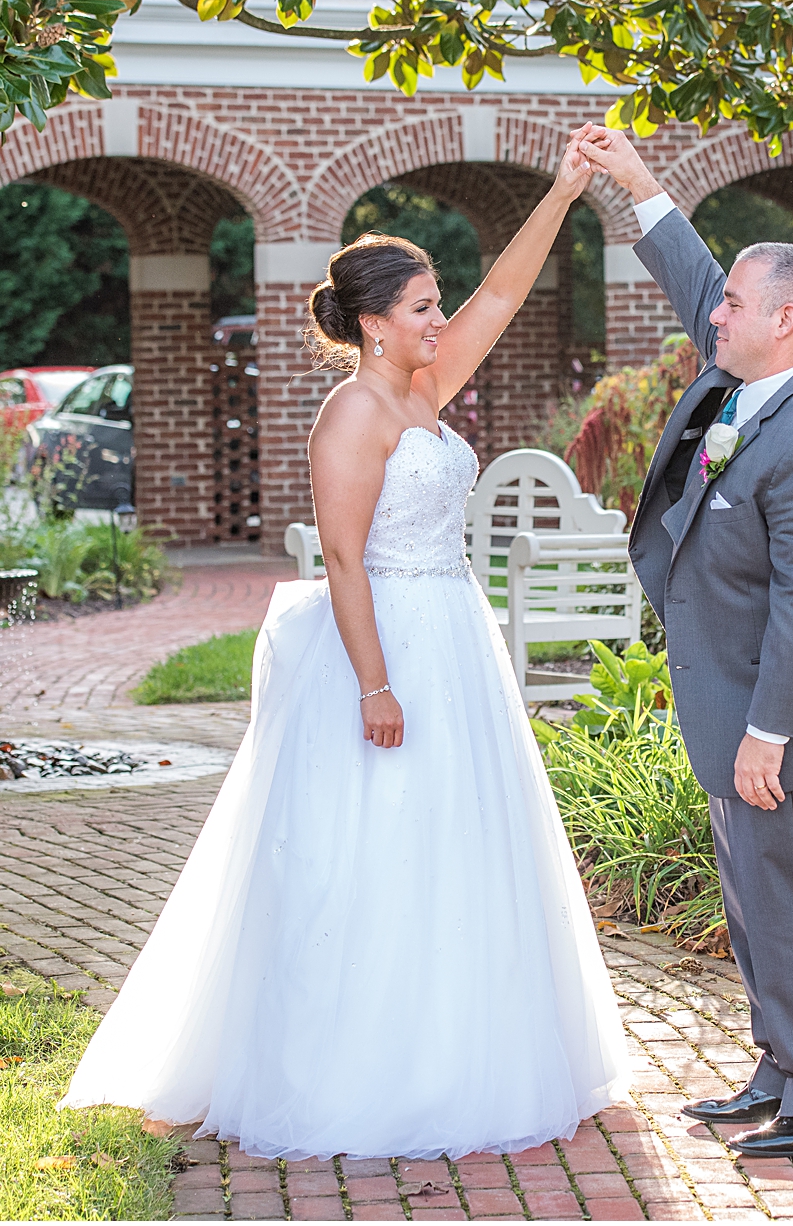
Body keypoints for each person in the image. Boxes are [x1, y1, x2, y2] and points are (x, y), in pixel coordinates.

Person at [58, 139, 629, 1162]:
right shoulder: (353, 411)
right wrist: (375, 682)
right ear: (373, 321)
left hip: (456, 637)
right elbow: (345, 561)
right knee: (372, 846)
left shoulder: (424, 388)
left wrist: (562, 193)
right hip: (387, 645)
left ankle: (463, 1046)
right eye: (421, 307)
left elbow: (501, 295)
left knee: (460, 843)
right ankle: (357, 1063)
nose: (439, 318)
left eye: (435, 304)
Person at [574, 124, 793, 1159]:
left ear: (785, 321)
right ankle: (779, 1065)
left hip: (781, 728)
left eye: (735, 305)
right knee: (753, 908)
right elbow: (699, 274)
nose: (713, 312)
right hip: (735, 710)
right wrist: (635, 181)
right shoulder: (755, 380)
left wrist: (765, 733)